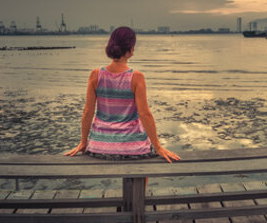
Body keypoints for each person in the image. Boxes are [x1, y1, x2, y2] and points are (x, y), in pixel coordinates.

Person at [65, 26, 180, 163]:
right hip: (132, 147)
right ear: (130, 49)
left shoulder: (96, 75)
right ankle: (141, 185)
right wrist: (158, 147)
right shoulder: (136, 77)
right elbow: (145, 114)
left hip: (100, 147)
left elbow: (88, 111)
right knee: (148, 158)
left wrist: (83, 143)